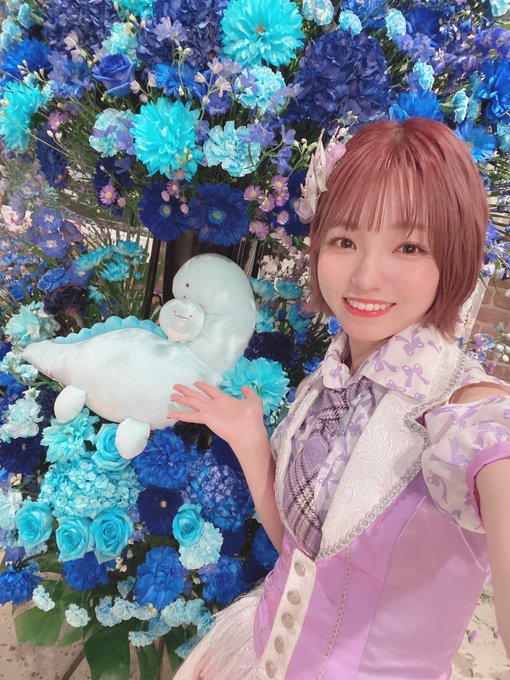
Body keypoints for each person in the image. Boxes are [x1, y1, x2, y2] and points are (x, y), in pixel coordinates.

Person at [168, 117, 510, 680]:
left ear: (453, 256)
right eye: (345, 241)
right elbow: (299, 551)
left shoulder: (465, 411)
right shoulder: (326, 381)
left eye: (409, 246)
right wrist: (252, 440)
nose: (367, 276)